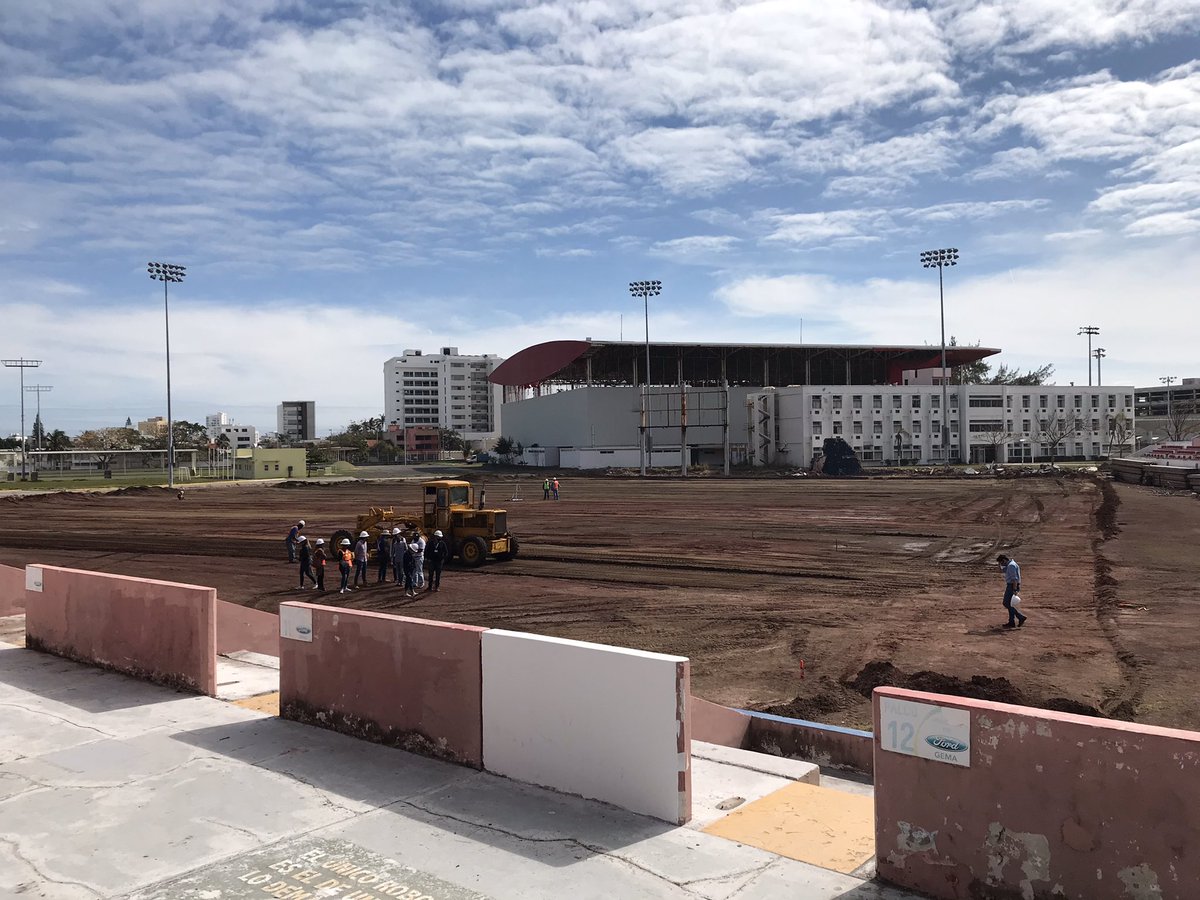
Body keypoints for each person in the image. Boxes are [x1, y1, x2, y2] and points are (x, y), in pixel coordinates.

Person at [997, 554, 1027, 628]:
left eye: (1001, 562)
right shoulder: (1010, 565)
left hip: (1012, 586)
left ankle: (1020, 617)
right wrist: (999, 564)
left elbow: (1014, 579)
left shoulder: (1011, 566)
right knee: (1010, 604)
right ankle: (1011, 622)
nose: (1001, 564)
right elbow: (1001, 571)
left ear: (1004, 560)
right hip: (1011, 585)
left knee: (1006, 603)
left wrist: (1014, 589)